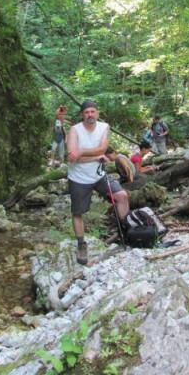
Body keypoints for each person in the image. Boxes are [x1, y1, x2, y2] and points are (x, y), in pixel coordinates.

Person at [67, 100, 129, 265]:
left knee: (122, 196)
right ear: (82, 115)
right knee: (78, 212)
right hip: (79, 178)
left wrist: (81, 151)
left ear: (97, 113)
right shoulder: (75, 130)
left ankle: (125, 232)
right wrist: (95, 157)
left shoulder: (104, 127)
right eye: (86, 112)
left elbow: (102, 149)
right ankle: (81, 244)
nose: (90, 115)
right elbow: (72, 158)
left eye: (92, 111)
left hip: (99, 175)